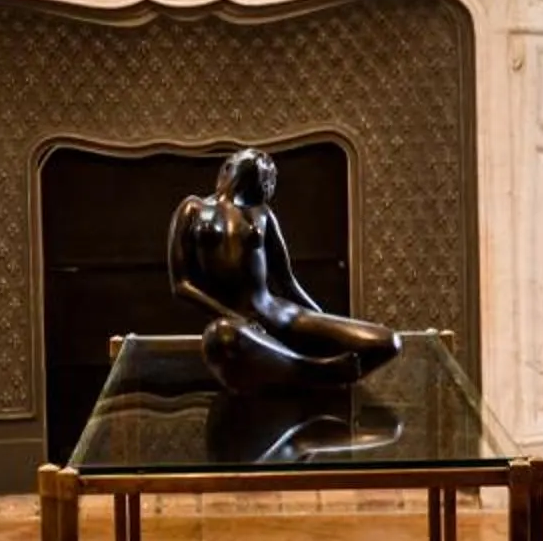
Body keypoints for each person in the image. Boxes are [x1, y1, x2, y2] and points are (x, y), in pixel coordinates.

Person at [168, 148, 401, 391]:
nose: (262, 175)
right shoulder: (193, 209)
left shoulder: (262, 213)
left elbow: (286, 280)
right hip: (239, 326)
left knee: (386, 341)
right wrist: (235, 317)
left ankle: (301, 370)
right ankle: (319, 370)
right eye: (252, 172)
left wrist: (320, 317)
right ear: (227, 168)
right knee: (222, 339)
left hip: (282, 314)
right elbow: (182, 285)